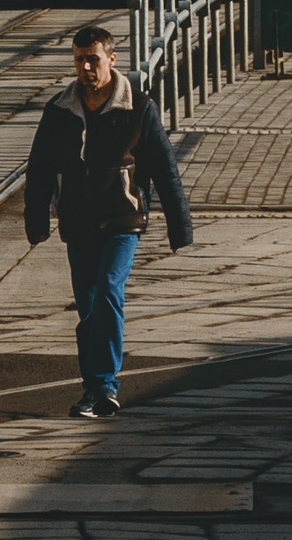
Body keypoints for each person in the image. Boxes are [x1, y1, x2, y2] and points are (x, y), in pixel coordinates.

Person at [21, 23, 192, 420]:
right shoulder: (59, 110)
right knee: (89, 306)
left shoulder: (138, 108)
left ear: (112, 60)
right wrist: (37, 219)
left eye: (92, 59)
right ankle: (95, 389)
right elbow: (41, 168)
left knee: (109, 288)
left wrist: (178, 227)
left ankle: (105, 384)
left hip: (122, 218)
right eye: (79, 60)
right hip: (78, 222)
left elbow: (166, 171)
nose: (85, 68)